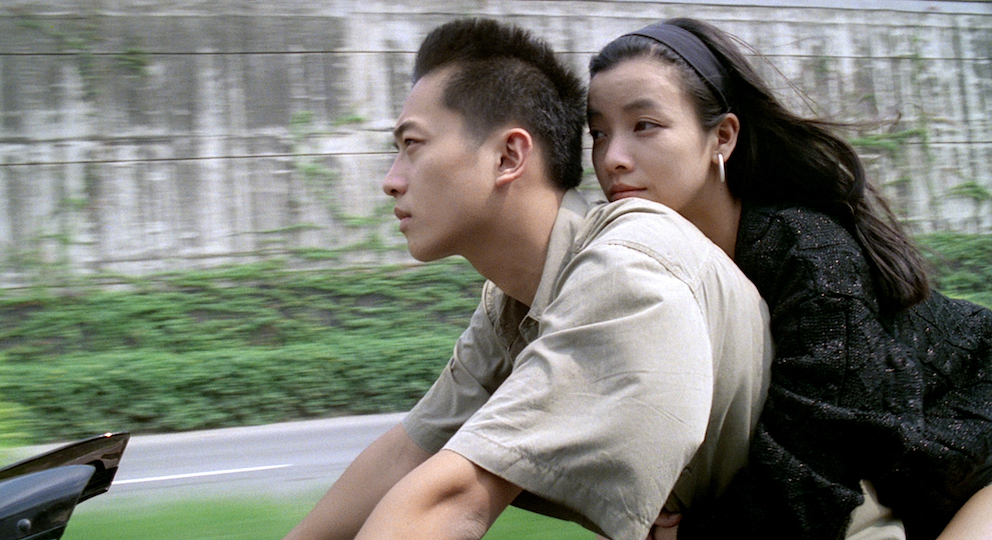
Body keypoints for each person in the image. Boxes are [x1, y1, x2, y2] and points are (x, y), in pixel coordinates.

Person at [281, 17, 773, 540]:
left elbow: (452, 499)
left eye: (413, 145)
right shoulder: (513, 302)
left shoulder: (625, 272)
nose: (391, 180)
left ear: (509, 156)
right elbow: (407, 454)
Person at [585, 17, 992, 540]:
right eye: (599, 133)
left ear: (723, 137)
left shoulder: (806, 250)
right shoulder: (652, 265)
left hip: (981, 447)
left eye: (644, 125)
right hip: (898, 476)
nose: (612, 159)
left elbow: (820, 454)